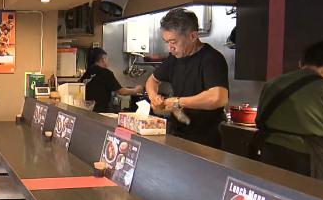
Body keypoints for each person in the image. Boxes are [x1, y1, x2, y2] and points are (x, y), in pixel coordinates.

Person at [253, 41, 323, 182]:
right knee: (312, 195)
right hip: (309, 158)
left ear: (301, 62)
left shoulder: (272, 83)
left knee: (270, 193)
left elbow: (259, 120)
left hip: (269, 151)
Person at [146, 8, 229, 147]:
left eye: (173, 42)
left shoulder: (211, 59)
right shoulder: (174, 59)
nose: (170, 48)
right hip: (177, 134)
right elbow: (152, 80)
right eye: (167, 42)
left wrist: (178, 102)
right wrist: (154, 97)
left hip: (204, 140)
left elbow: (218, 98)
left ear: (193, 36)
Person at [79, 48, 143, 113]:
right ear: (103, 59)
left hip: (86, 111)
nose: (108, 61)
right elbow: (121, 92)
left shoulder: (87, 73)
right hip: (100, 112)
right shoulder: (106, 73)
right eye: (107, 59)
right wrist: (136, 90)